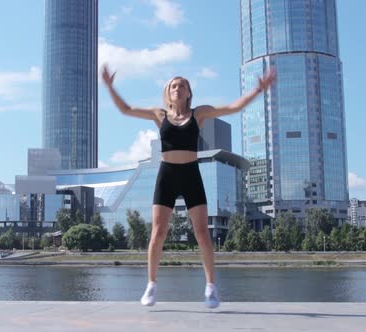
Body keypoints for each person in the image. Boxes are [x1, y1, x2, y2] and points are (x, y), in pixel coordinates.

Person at [101, 64, 276, 308]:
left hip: (191, 173)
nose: (178, 88)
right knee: (158, 233)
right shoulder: (159, 115)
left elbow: (234, 107)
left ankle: (211, 287)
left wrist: (258, 90)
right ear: (168, 92)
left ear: (188, 92)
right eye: (174, 85)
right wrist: (110, 86)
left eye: (182, 85)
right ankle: (151, 285)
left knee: (202, 233)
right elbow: (126, 109)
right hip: (167, 174)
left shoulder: (199, 114)